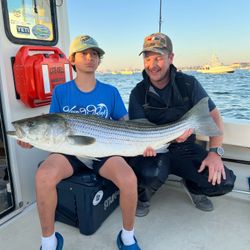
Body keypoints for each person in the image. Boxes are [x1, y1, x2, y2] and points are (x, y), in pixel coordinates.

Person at [17, 35, 141, 250]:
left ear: (99, 60)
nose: (90, 58)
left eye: (94, 54)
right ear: (72, 60)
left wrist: (141, 143)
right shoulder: (61, 91)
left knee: (129, 179)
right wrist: (30, 138)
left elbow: (125, 124)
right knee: (44, 176)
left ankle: (128, 237)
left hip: (104, 150)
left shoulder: (110, 92)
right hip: (67, 152)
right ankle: (49, 242)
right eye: (84, 53)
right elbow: (51, 126)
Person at [128, 32, 236, 217]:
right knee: (149, 173)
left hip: (185, 149)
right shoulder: (137, 93)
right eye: (147, 58)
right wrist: (145, 146)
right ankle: (143, 197)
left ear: (170, 57)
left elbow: (214, 116)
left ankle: (193, 185)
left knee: (224, 182)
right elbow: (138, 131)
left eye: (158, 58)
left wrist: (214, 152)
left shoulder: (188, 83)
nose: (152, 65)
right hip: (153, 151)